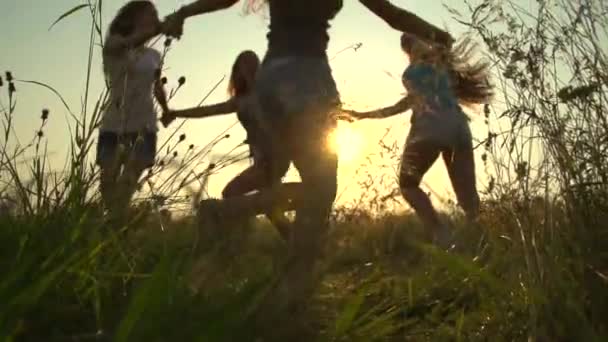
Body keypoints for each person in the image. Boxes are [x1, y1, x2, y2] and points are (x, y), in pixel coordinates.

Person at [161, 0, 454, 312]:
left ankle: (288, 284)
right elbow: (392, 14)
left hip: (269, 83)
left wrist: (183, 13)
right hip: (308, 80)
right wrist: (437, 35)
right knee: (321, 188)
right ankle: (286, 280)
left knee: (314, 189)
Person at [345, 33, 493, 246]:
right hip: (459, 127)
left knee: (407, 185)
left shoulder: (412, 73)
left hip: (430, 128)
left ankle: (441, 233)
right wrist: (363, 115)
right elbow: (404, 104)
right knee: (469, 200)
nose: (409, 45)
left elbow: (404, 104)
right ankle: (484, 244)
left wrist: (361, 115)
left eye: (409, 41)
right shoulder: (444, 65)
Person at [161, 50, 291, 240]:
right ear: (237, 72)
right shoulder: (240, 100)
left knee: (231, 192)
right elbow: (208, 110)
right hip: (260, 159)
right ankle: (299, 243)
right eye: (243, 66)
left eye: (252, 65)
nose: (247, 70)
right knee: (271, 207)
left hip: (273, 159)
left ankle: (234, 241)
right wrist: (177, 113)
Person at [97, 1, 169, 221]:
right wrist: (159, 28)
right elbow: (125, 44)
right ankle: (118, 230)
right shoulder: (114, 44)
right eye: (151, 14)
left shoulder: (154, 55)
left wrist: (167, 109)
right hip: (113, 124)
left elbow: (157, 86)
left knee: (127, 186)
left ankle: (118, 233)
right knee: (107, 187)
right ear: (135, 17)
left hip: (145, 125)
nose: (156, 17)